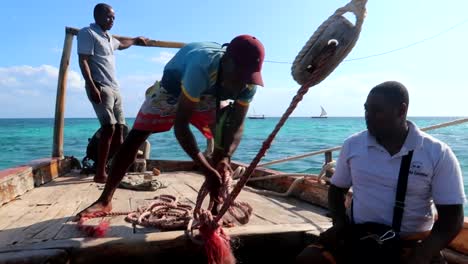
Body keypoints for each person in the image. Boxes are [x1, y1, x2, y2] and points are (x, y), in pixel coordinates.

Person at [77, 34, 265, 216]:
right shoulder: (201, 66)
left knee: (222, 136)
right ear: (228, 61)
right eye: (239, 76)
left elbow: (238, 125)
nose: (243, 84)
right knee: (135, 138)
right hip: (172, 88)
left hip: (208, 93)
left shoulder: (249, 83)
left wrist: (225, 157)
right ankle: (105, 200)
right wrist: (206, 169)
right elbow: (181, 127)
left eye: (248, 78)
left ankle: (215, 207)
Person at [296, 81, 465, 264]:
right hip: (360, 237)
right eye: (366, 110)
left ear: (401, 111)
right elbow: (337, 190)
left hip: (410, 243)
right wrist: (340, 224)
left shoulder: (437, 153)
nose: (368, 116)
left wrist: (422, 255)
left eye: (377, 111)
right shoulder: (353, 145)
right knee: (308, 259)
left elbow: (452, 218)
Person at [77, 3, 147, 183]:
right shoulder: (88, 33)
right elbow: (83, 60)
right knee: (109, 128)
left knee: (121, 130)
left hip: (115, 88)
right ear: (97, 16)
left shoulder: (108, 37)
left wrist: (135, 40)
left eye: (114, 18)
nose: (112, 20)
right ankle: (100, 173)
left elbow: (122, 44)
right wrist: (91, 86)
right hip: (100, 86)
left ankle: (111, 167)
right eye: (109, 17)